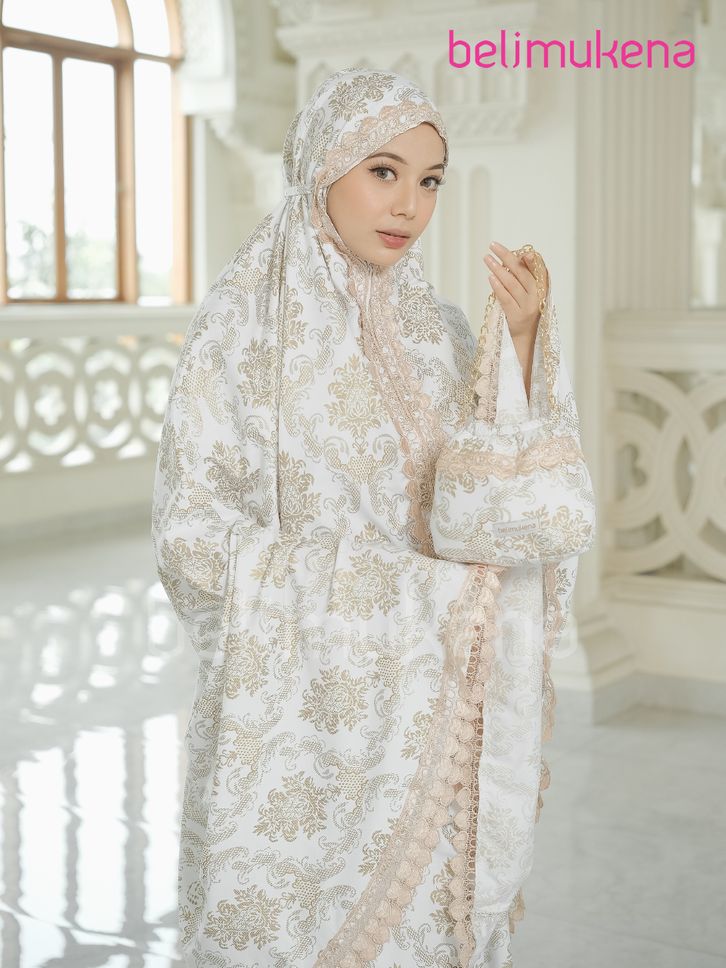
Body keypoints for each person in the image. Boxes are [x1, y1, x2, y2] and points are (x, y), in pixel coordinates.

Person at [151, 67, 580, 968]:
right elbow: (191, 539)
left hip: (434, 714)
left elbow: (487, 517)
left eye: (430, 180)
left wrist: (521, 344)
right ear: (322, 166)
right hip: (310, 719)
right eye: (383, 171)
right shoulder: (242, 331)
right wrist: (383, 597)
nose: (409, 206)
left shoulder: (443, 333)